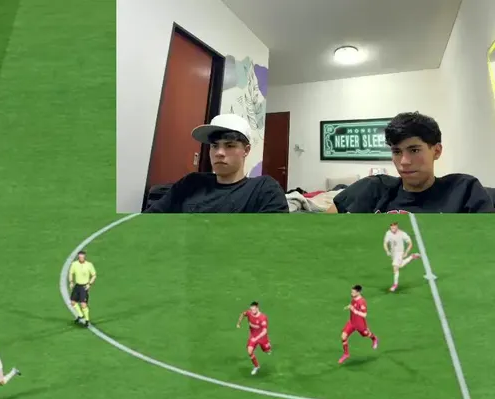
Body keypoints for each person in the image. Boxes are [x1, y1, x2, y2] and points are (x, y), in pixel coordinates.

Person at [328, 112, 494, 213]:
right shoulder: (373, 188)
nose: (404, 162)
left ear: (436, 151)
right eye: (397, 152)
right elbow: (321, 231)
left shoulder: (464, 190)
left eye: (414, 150)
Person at [144, 113, 288, 213]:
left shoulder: (263, 189)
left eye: (229, 145)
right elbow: (149, 219)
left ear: (246, 150)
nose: (219, 152)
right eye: (214, 146)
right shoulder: (191, 183)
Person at [340, 285, 377, 365]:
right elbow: (353, 306)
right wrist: (349, 306)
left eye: (353, 292)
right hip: (352, 322)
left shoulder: (362, 302)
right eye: (351, 292)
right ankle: (346, 354)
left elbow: (364, 314)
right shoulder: (353, 299)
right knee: (343, 336)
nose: (351, 293)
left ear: (358, 292)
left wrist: (354, 310)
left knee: (366, 334)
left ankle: (374, 339)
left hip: (359, 323)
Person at [383, 221, 419, 292]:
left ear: (397, 227)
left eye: (394, 227)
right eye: (391, 227)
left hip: (399, 252)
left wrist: (406, 252)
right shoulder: (388, 233)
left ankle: (395, 285)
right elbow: (385, 243)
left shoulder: (402, 234)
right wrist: (387, 251)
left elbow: (410, 243)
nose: (392, 228)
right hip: (393, 253)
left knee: (395, 267)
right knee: (400, 265)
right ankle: (412, 257)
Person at [236, 301, 271, 375]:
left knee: (266, 350)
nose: (252, 311)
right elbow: (243, 314)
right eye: (251, 309)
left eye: (254, 309)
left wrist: (257, 338)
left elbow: (264, 331)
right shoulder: (249, 313)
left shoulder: (262, 318)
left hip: (262, 337)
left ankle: (267, 348)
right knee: (249, 351)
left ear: (257, 308)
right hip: (253, 336)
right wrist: (238, 323)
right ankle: (256, 366)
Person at [68, 251, 96, 326]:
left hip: (84, 286)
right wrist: (71, 282)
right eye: (80, 257)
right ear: (78, 257)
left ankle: (87, 320)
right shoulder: (74, 264)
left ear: (84, 257)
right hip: (77, 286)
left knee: (83, 304)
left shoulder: (89, 265)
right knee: (73, 302)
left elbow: (94, 275)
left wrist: (89, 284)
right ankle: (80, 315)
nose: (81, 258)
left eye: (82, 257)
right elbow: (70, 273)